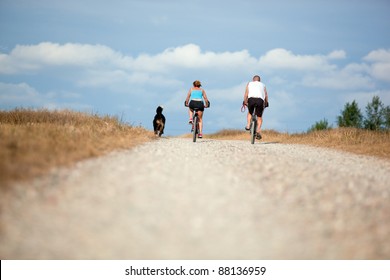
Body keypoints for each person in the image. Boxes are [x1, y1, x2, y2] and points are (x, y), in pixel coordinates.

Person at [243, 75, 268, 139]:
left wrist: (245, 101)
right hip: (260, 100)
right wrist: (266, 103)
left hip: (251, 100)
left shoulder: (249, 83)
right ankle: (258, 130)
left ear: (253, 80)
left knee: (250, 113)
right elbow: (266, 95)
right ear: (259, 81)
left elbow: (246, 93)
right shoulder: (263, 85)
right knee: (259, 117)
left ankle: (248, 125)